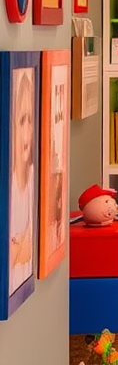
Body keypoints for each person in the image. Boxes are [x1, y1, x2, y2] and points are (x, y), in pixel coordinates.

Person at [9, 66, 35, 291]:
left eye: (30, 121)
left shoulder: (30, 184)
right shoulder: (10, 192)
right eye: (22, 120)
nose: (28, 133)